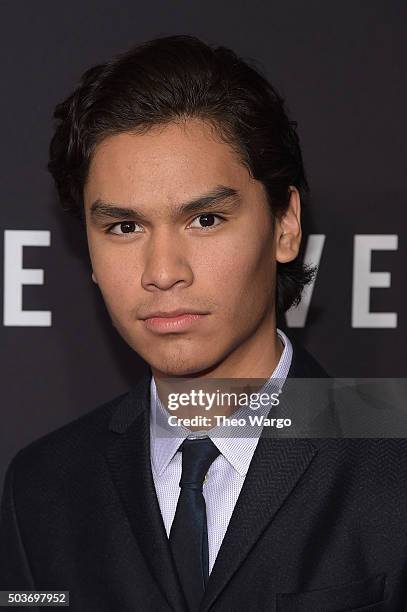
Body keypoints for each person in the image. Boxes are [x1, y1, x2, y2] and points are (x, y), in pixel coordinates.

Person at [0, 35, 406, 611]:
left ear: (285, 225)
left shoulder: (393, 460)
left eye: (206, 219)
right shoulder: (42, 488)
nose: (163, 272)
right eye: (124, 228)